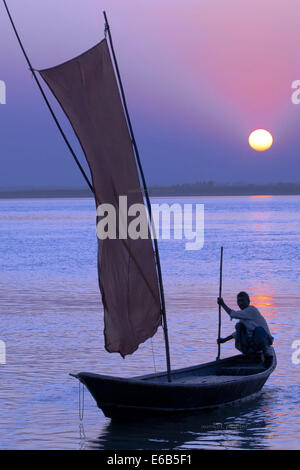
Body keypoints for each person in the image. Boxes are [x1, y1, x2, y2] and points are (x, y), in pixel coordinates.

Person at [217, 291, 274, 360]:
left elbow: (233, 314)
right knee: (239, 326)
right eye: (239, 301)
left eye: (243, 301)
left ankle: (265, 351)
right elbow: (236, 334)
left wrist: (222, 304)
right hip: (253, 343)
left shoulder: (251, 310)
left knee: (258, 330)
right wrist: (224, 340)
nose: (240, 303)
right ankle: (250, 353)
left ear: (248, 301)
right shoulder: (243, 316)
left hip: (265, 341)